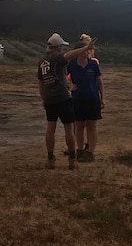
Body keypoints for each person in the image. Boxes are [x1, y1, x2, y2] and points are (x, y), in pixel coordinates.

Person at [38, 33, 93, 169]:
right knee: (69, 128)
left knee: (51, 128)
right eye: (62, 46)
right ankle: (72, 159)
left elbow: (40, 83)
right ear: (58, 47)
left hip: (49, 99)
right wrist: (85, 48)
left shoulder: (41, 62)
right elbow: (70, 55)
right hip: (62, 98)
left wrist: (43, 98)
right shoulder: (57, 58)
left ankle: (50, 157)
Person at [67, 35, 104, 162]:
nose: (88, 52)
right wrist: (69, 86)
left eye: (89, 50)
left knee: (91, 126)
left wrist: (102, 98)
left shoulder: (93, 64)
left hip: (92, 98)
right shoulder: (71, 65)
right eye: (86, 50)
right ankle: (80, 150)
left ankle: (90, 152)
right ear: (79, 52)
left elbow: (99, 81)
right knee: (79, 126)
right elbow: (62, 76)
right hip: (77, 99)